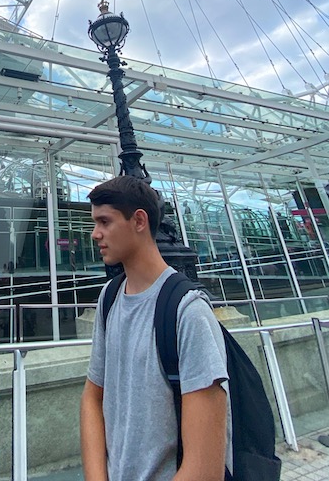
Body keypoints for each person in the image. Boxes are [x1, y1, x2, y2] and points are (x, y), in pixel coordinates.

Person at [80, 176, 230, 481]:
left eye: (104, 222)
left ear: (138, 221)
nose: (95, 234)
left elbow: (205, 468)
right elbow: (92, 397)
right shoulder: (109, 298)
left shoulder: (189, 313)